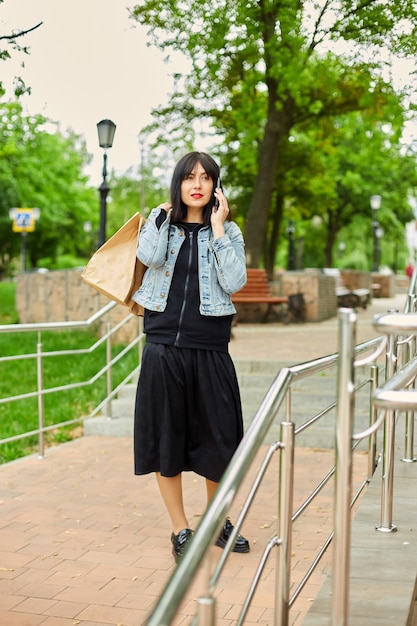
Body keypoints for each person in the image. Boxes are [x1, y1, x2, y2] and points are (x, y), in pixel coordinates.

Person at [132, 151, 250, 561]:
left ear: (217, 188)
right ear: (178, 184)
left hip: (211, 348)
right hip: (163, 347)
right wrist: (160, 220)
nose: (196, 184)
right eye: (188, 177)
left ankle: (218, 521)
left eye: (205, 178)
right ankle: (180, 528)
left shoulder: (229, 231)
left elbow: (234, 280)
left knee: (219, 440)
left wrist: (217, 228)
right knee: (168, 439)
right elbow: (147, 258)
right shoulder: (162, 224)